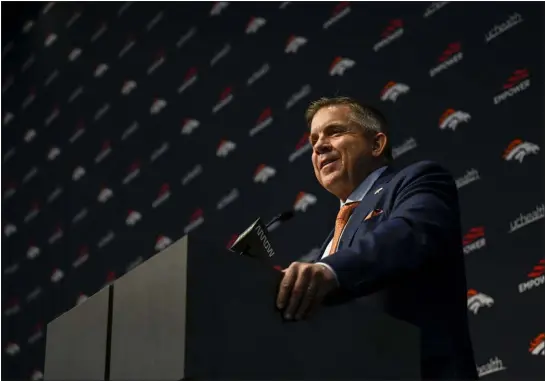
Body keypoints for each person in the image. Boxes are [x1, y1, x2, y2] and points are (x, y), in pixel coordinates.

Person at [275, 96, 478, 380]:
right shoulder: (332, 237)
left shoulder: (416, 180)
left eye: (334, 132)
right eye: (313, 140)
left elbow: (410, 232)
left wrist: (329, 271)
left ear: (376, 144)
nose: (320, 145)